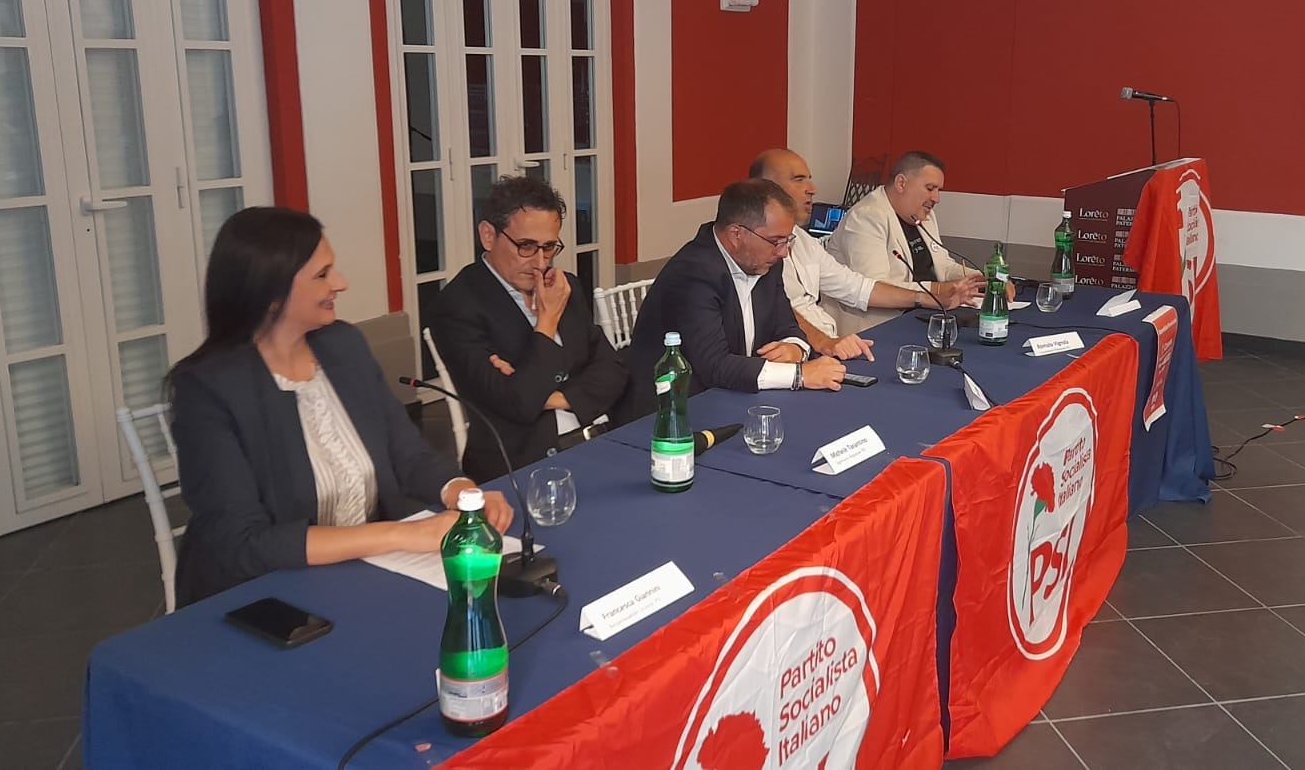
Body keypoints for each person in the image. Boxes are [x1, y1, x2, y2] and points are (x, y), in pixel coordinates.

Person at [167, 207, 513, 606]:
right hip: (259, 599)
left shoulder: (343, 345)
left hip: (361, 576)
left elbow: (407, 455)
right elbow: (242, 543)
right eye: (322, 275)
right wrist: (403, 534)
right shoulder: (206, 389)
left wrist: (462, 493)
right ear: (270, 293)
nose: (341, 283)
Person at [427, 177, 629, 480]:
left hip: (599, 441)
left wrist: (553, 397)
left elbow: (613, 369)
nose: (539, 262)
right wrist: (546, 323)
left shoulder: (565, 285)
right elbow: (519, 404)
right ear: (488, 236)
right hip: (521, 467)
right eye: (526, 246)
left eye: (549, 247)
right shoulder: (457, 306)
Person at [750, 148, 985, 359]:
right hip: (819, 345)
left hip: (829, 345)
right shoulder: (867, 216)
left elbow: (857, 287)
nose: (812, 189)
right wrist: (935, 292)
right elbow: (777, 306)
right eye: (798, 179)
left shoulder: (803, 240)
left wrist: (975, 283)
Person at [628, 179, 845, 404]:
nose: (784, 253)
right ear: (736, 234)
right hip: (674, 406)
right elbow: (714, 366)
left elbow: (787, 325)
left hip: (735, 394)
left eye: (787, 240)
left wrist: (795, 349)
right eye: (776, 241)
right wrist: (799, 375)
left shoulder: (765, 261)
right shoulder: (693, 274)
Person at [824, 150, 987, 336]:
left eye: (938, 190)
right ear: (901, 183)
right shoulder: (866, 217)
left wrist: (981, 280)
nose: (936, 199)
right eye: (930, 188)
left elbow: (943, 266)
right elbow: (875, 288)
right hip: (876, 328)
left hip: (924, 314)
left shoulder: (925, 215)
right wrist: (937, 290)